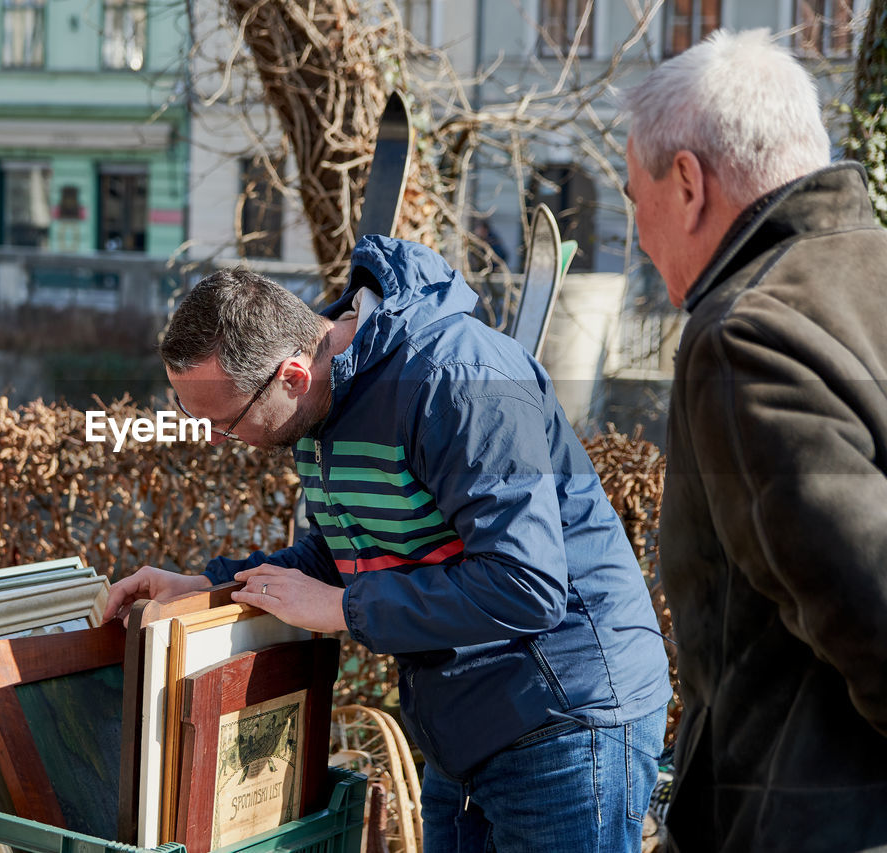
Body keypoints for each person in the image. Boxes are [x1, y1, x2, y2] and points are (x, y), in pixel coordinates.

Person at [105, 236, 672, 852]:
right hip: (462, 726)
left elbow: (526, 586)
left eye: (225, 421)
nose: (215, 440)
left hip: (563, 714)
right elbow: (338, 560)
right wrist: (205, 590)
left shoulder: (459, 381)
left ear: (292, 375)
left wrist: (345, 611)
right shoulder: (321, 405)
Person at [622, 29, 887, 852]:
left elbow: (872, 602)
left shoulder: (746, 331)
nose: (637, 234)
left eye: (636, 200)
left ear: (690, 184)